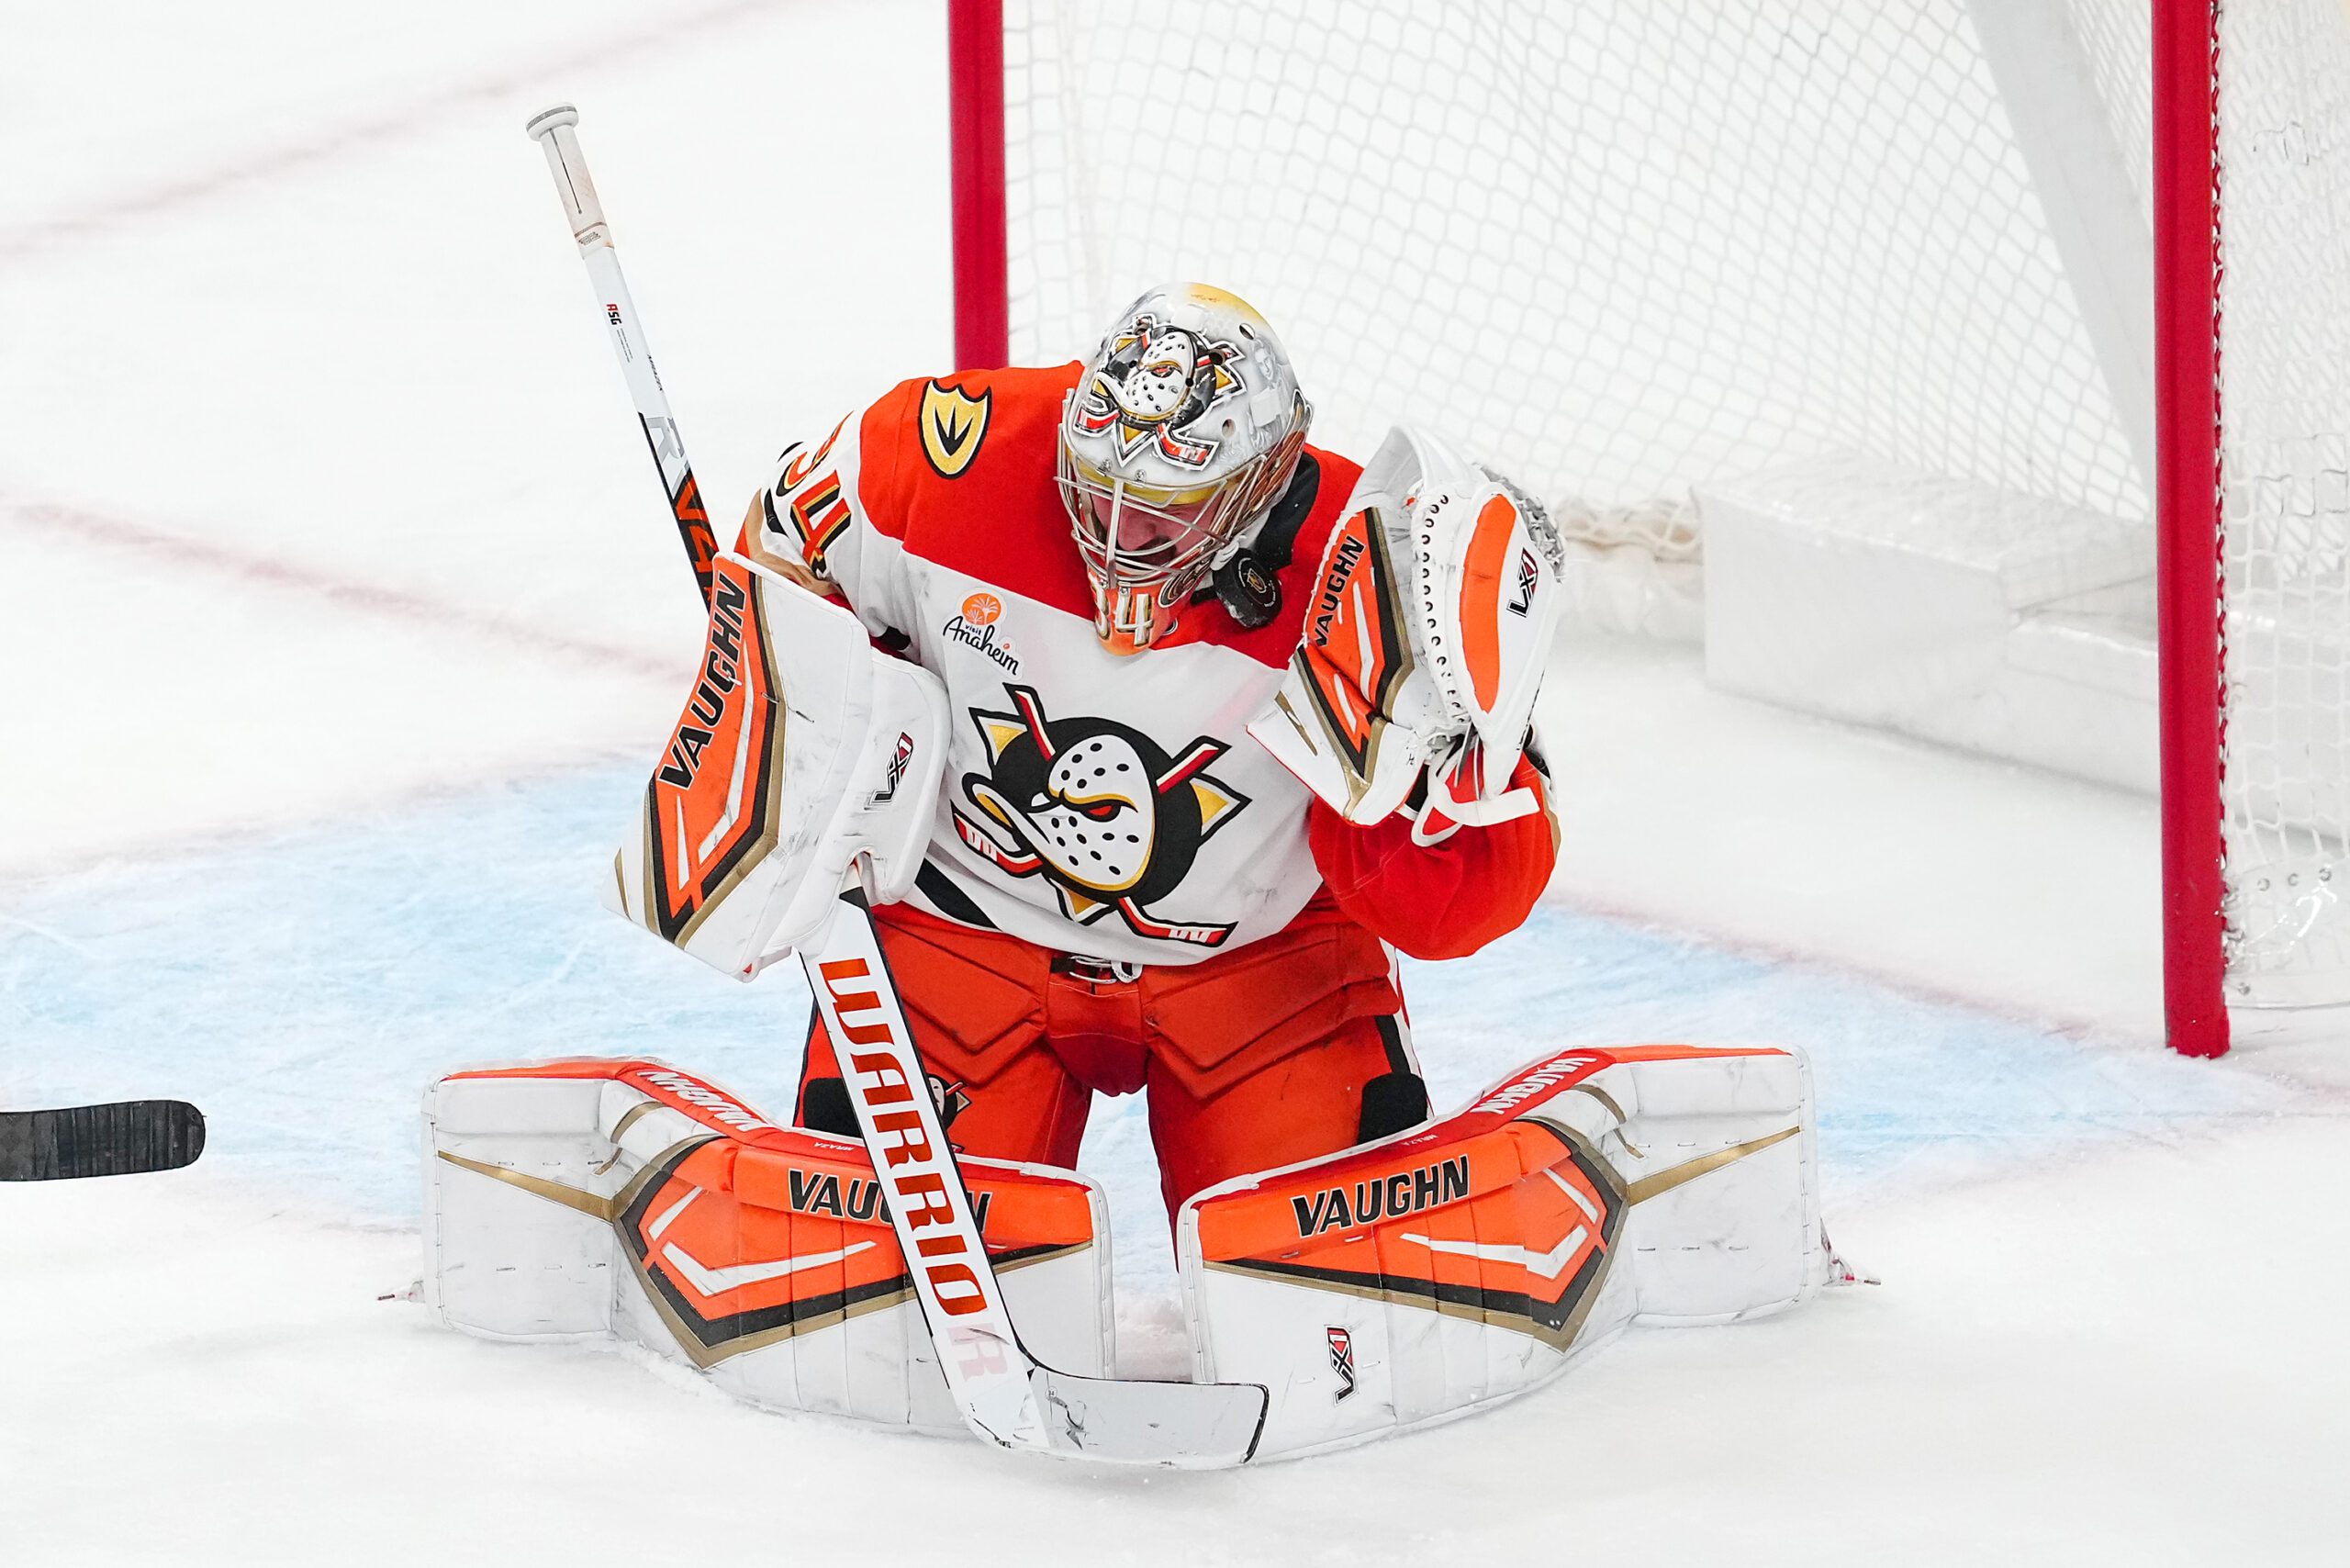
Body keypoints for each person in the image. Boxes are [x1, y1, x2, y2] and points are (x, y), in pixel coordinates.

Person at [741, 283, 1559, 1222]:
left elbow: (1456, 906)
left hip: (1262, 975)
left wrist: (1440, 779)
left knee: (1322, 1283)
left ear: (1259, 482)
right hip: (963, 943)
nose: (1120, 537)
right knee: (876, 1288)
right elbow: (777, 568)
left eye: (1166, 510)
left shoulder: (1379, 558)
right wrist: (816, 700)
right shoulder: (939, 455)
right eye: (1098, 492)